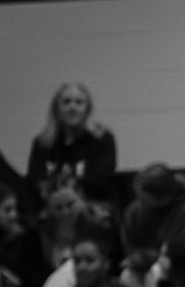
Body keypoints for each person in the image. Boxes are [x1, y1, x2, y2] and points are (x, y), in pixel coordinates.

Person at [27, 83, 117, 211]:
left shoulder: (102, 139)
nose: (72, 107)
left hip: (92, 209)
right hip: (52, 209)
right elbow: (35, 180)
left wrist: (69, 186)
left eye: (79, 102)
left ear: (87, 108)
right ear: (56, 108)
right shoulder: (42, 142)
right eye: (66, 102)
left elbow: (102, 179)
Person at [120, 163, 185, 287]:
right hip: (140, 266)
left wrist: (150, 257)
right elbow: (129, 247)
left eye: (144, 195)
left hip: (177, 271)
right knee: (127, 275)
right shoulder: (134, 212)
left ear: (163, 197)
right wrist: (137, 259)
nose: (140, 199)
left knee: (156, 273)